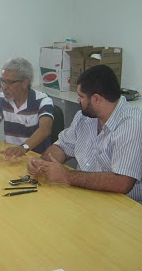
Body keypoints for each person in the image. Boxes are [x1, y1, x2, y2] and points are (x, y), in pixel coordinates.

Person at [28, 64, 142, 203]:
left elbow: (123, 182)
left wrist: (67, 176)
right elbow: (62, 147)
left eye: (81, 96)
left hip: (122, 207)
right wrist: (42, 162)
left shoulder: (130, 124)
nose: (78, 100)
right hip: (84, 197)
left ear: (96, 99)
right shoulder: (84, 117)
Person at [0, 57, 54, 158]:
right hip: (11, 157)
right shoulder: (2, 99)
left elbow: (44, 130)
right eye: (3, 81)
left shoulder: (43, 101)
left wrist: (23, 148)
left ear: (25, 83)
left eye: (9, 82)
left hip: (36, 159)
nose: (4, 87)